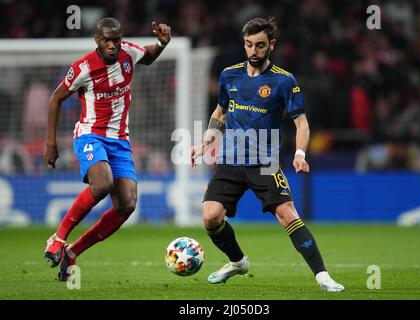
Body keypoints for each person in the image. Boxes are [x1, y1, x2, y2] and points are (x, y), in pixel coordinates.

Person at [191, 17, 344, 292]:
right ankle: (237, 262)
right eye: (249, 45)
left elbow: (302, 123)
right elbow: (220, 112)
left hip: (264, 162)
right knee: (211, 217)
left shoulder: (284, 81)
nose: (253, 51)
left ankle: (323, 277)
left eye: (260, 45)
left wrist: (299, 153)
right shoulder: (229, 75)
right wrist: (206, 142)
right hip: (230, 160)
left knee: (287, 214)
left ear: (271, 45)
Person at [43, 17, 171, 281]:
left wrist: (162, 43)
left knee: (127, 203)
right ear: (97, 41)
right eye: (106, 40)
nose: (112, 45)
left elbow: (147, 56)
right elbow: (56, 98)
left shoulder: (128, 54)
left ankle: (73, 251)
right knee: (102, 184)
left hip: (120, 140)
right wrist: (51, 142)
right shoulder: (83, 67)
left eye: (116, 40)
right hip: (91, 135)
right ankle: (57, 238)